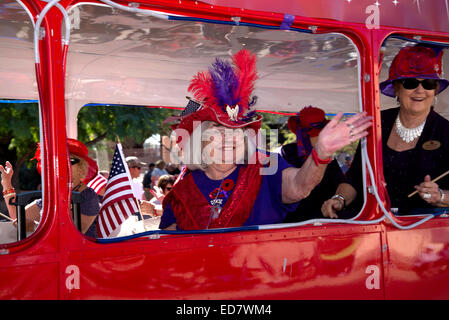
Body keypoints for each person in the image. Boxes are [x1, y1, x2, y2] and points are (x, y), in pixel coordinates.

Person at [159, 49, 372, 230]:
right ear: (200, 137)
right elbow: (168, 249)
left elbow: (299, 186)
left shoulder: (265, 167)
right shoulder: (183, 191)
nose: (229, 136)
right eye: (218, 127)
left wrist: (321, 153)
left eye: (237, 129)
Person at [321, 44, 449, 218]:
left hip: (425, 230)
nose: (420, 90)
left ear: (434, 91)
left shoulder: (445, 131)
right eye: (410, 83)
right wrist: (339, 199)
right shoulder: (377, 123)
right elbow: (356, 177)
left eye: (428, 84)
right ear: (396, 88)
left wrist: (440, 196)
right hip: (375, 223)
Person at [0, 138, 101, 237]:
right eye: (57, 162)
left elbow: (76, 231)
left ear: (81, 168)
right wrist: (7, 184)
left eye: (69, 161)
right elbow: (17, 218)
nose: (61, 166)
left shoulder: (88, 196)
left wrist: (35, 226)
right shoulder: (52, 196)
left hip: (80, 252)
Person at [281, 106, 347, 222]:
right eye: (316, 135)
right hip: (296, 220)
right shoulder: (288, 154)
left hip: (327, 217)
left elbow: (339, 184)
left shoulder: (326, 154)